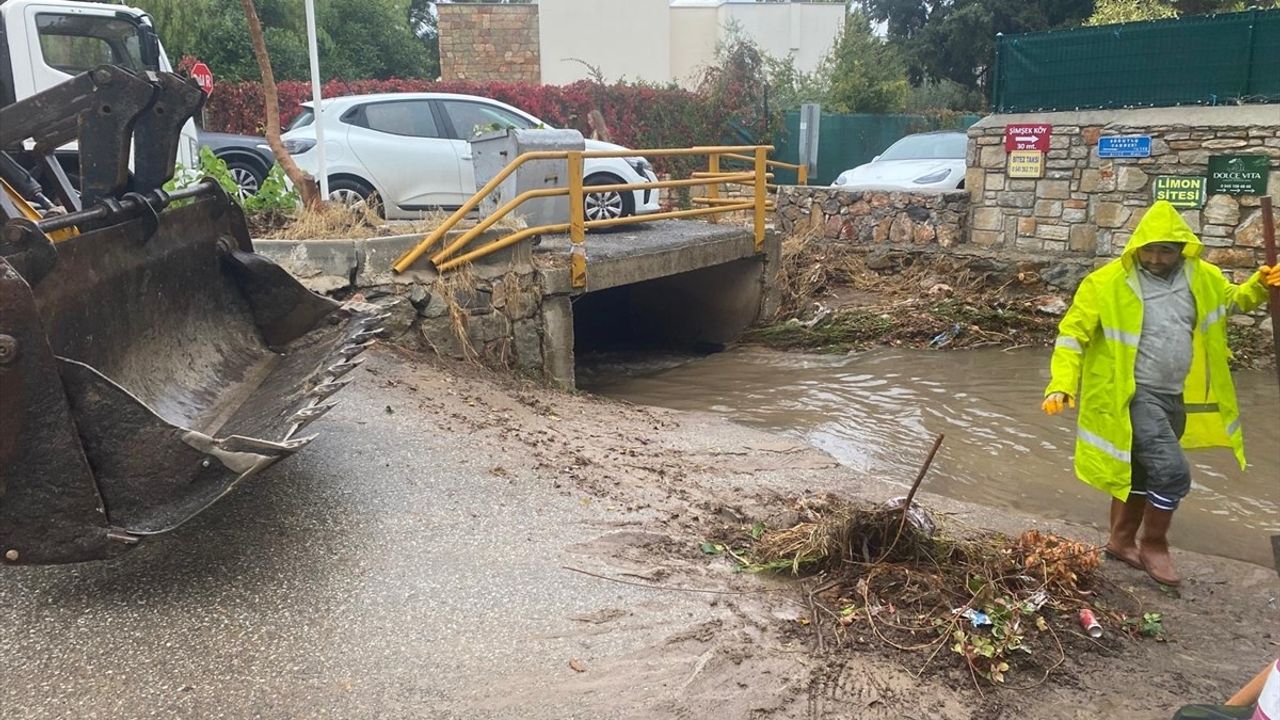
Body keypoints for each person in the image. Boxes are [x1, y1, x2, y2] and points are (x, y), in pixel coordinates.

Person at [1042, 200, 1280, 587]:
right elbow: (1073, 335)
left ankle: (1119, 542)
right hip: (1133, 394)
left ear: (1182, 248)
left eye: (1165, 250)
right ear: (1135, 247)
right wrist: (1062, 383)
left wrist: (1260, 284)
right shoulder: (1105, 284)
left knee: (1139, 471)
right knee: (1171, 473)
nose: (1154, 258)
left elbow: (1232, 302)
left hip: (1173, 394)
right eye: (1148, 249)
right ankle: (1154, 544)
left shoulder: (1201, 276)